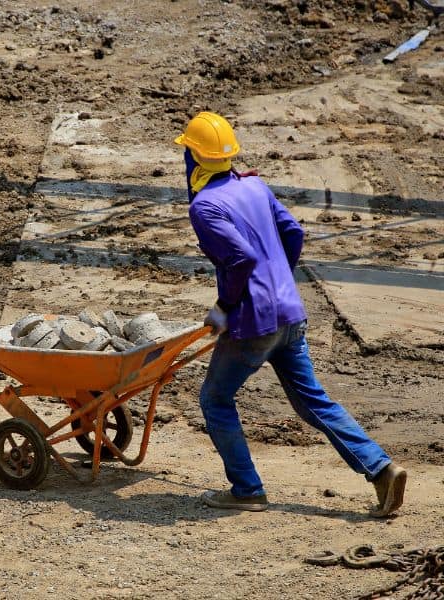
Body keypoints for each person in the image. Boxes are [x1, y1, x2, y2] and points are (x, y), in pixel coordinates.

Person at [174, 111, 406, 517]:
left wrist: (224, 307)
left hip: (253, 323)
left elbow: (241, 259)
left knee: (215, 399)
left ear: (194, 157)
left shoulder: (205, 207)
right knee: (312, 400)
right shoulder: (255, 186)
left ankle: (247, 489)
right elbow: (294, 233)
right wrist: (279, 278)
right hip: (291, 311)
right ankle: (381, 469)